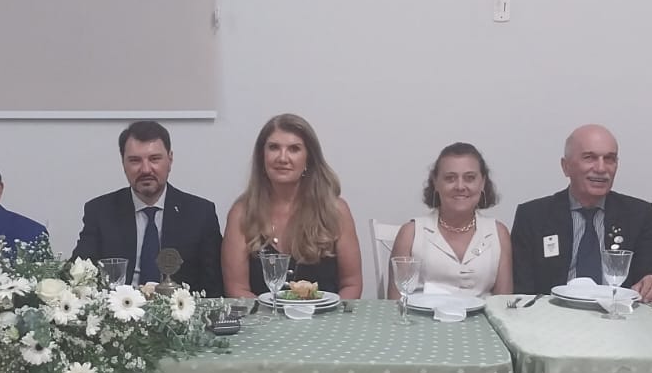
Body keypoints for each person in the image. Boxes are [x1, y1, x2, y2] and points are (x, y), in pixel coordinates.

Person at [510, 124, 652, 302]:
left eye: (609, 159)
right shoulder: (532, 216)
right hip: (553, 313)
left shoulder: (638, 214)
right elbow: (522, 289)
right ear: (566, 166)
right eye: (589, 158)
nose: (601, 168)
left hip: (619, 313)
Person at [71, 121, 223, 296]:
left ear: (170, 160)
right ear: (123, 163)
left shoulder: (200, 213)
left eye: (154, 159)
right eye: (135, 160)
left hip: (181, 309)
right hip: (120, 308)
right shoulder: (100, 212)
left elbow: (214, 287)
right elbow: (78, 273)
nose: (145, 169)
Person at [221, 113, 362, 298]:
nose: (282, 158)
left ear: (308, 159)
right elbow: (236, 289)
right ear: (262, 156)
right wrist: (270, 316)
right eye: (274, 147)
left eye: (294, 149)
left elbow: (352, 284)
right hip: (261, 316)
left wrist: (331, 315)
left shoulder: (335, 210)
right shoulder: (242, 213)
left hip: (326, 315)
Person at [387, 142, 512, 299]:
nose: (460, 186)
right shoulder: (410, 233)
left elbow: (504, 304)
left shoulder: (498, 233)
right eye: (450, 178)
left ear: (482, 183)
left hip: (482, 315)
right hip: (421, 315)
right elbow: (395, 305)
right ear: (435, 182)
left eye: (470, 178)